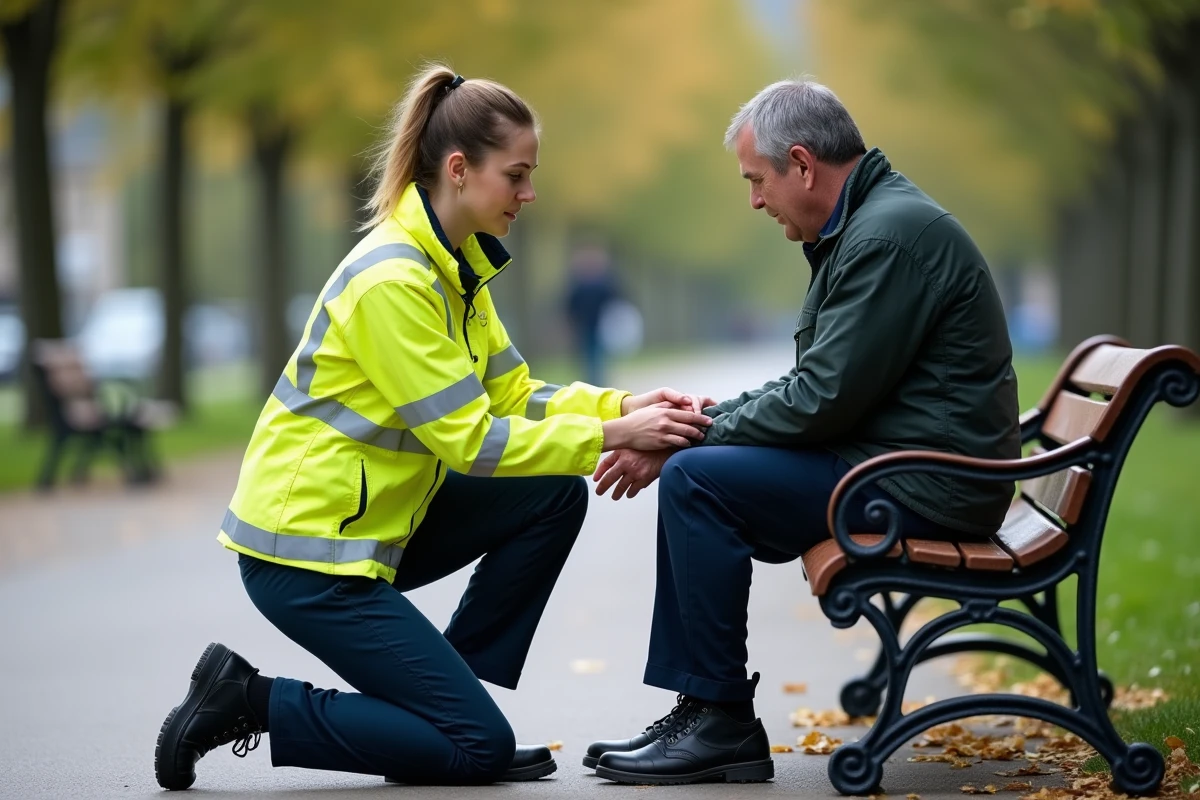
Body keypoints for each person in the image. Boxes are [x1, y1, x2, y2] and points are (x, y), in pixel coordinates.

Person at [153, 64, 713, 791]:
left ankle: (442, 706)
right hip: (307, 558)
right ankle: (247, 700)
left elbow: (512, 394)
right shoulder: (396, 281)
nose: (529, 193)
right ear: (459, 169)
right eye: (516, 174)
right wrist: (613, 438)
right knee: (475, 752)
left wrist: (623, 408)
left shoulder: (453, 269)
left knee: (552, 496)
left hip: (371, 528)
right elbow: (472, 443)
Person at [584, 79, 1021, 786]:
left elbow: (818, 401)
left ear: (802, 164)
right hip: (899, 465)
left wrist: (682, 441)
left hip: (924, 485)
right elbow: (815, 385)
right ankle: (706, 712)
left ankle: (718, 718)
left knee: (699, 480)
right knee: (702, 473)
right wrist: (699, 419)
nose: (755, 200)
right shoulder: (871, 225)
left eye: (758, 180)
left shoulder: (886, 237)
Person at [564, 243, 620, 385]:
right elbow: (571, 304)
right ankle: (592, 381)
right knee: (588, 356)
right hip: (584, 326)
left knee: (596, 356)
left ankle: (596, 381)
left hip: (600, 327)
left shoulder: (604, 283)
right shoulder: (581, 284)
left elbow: (614, 303)